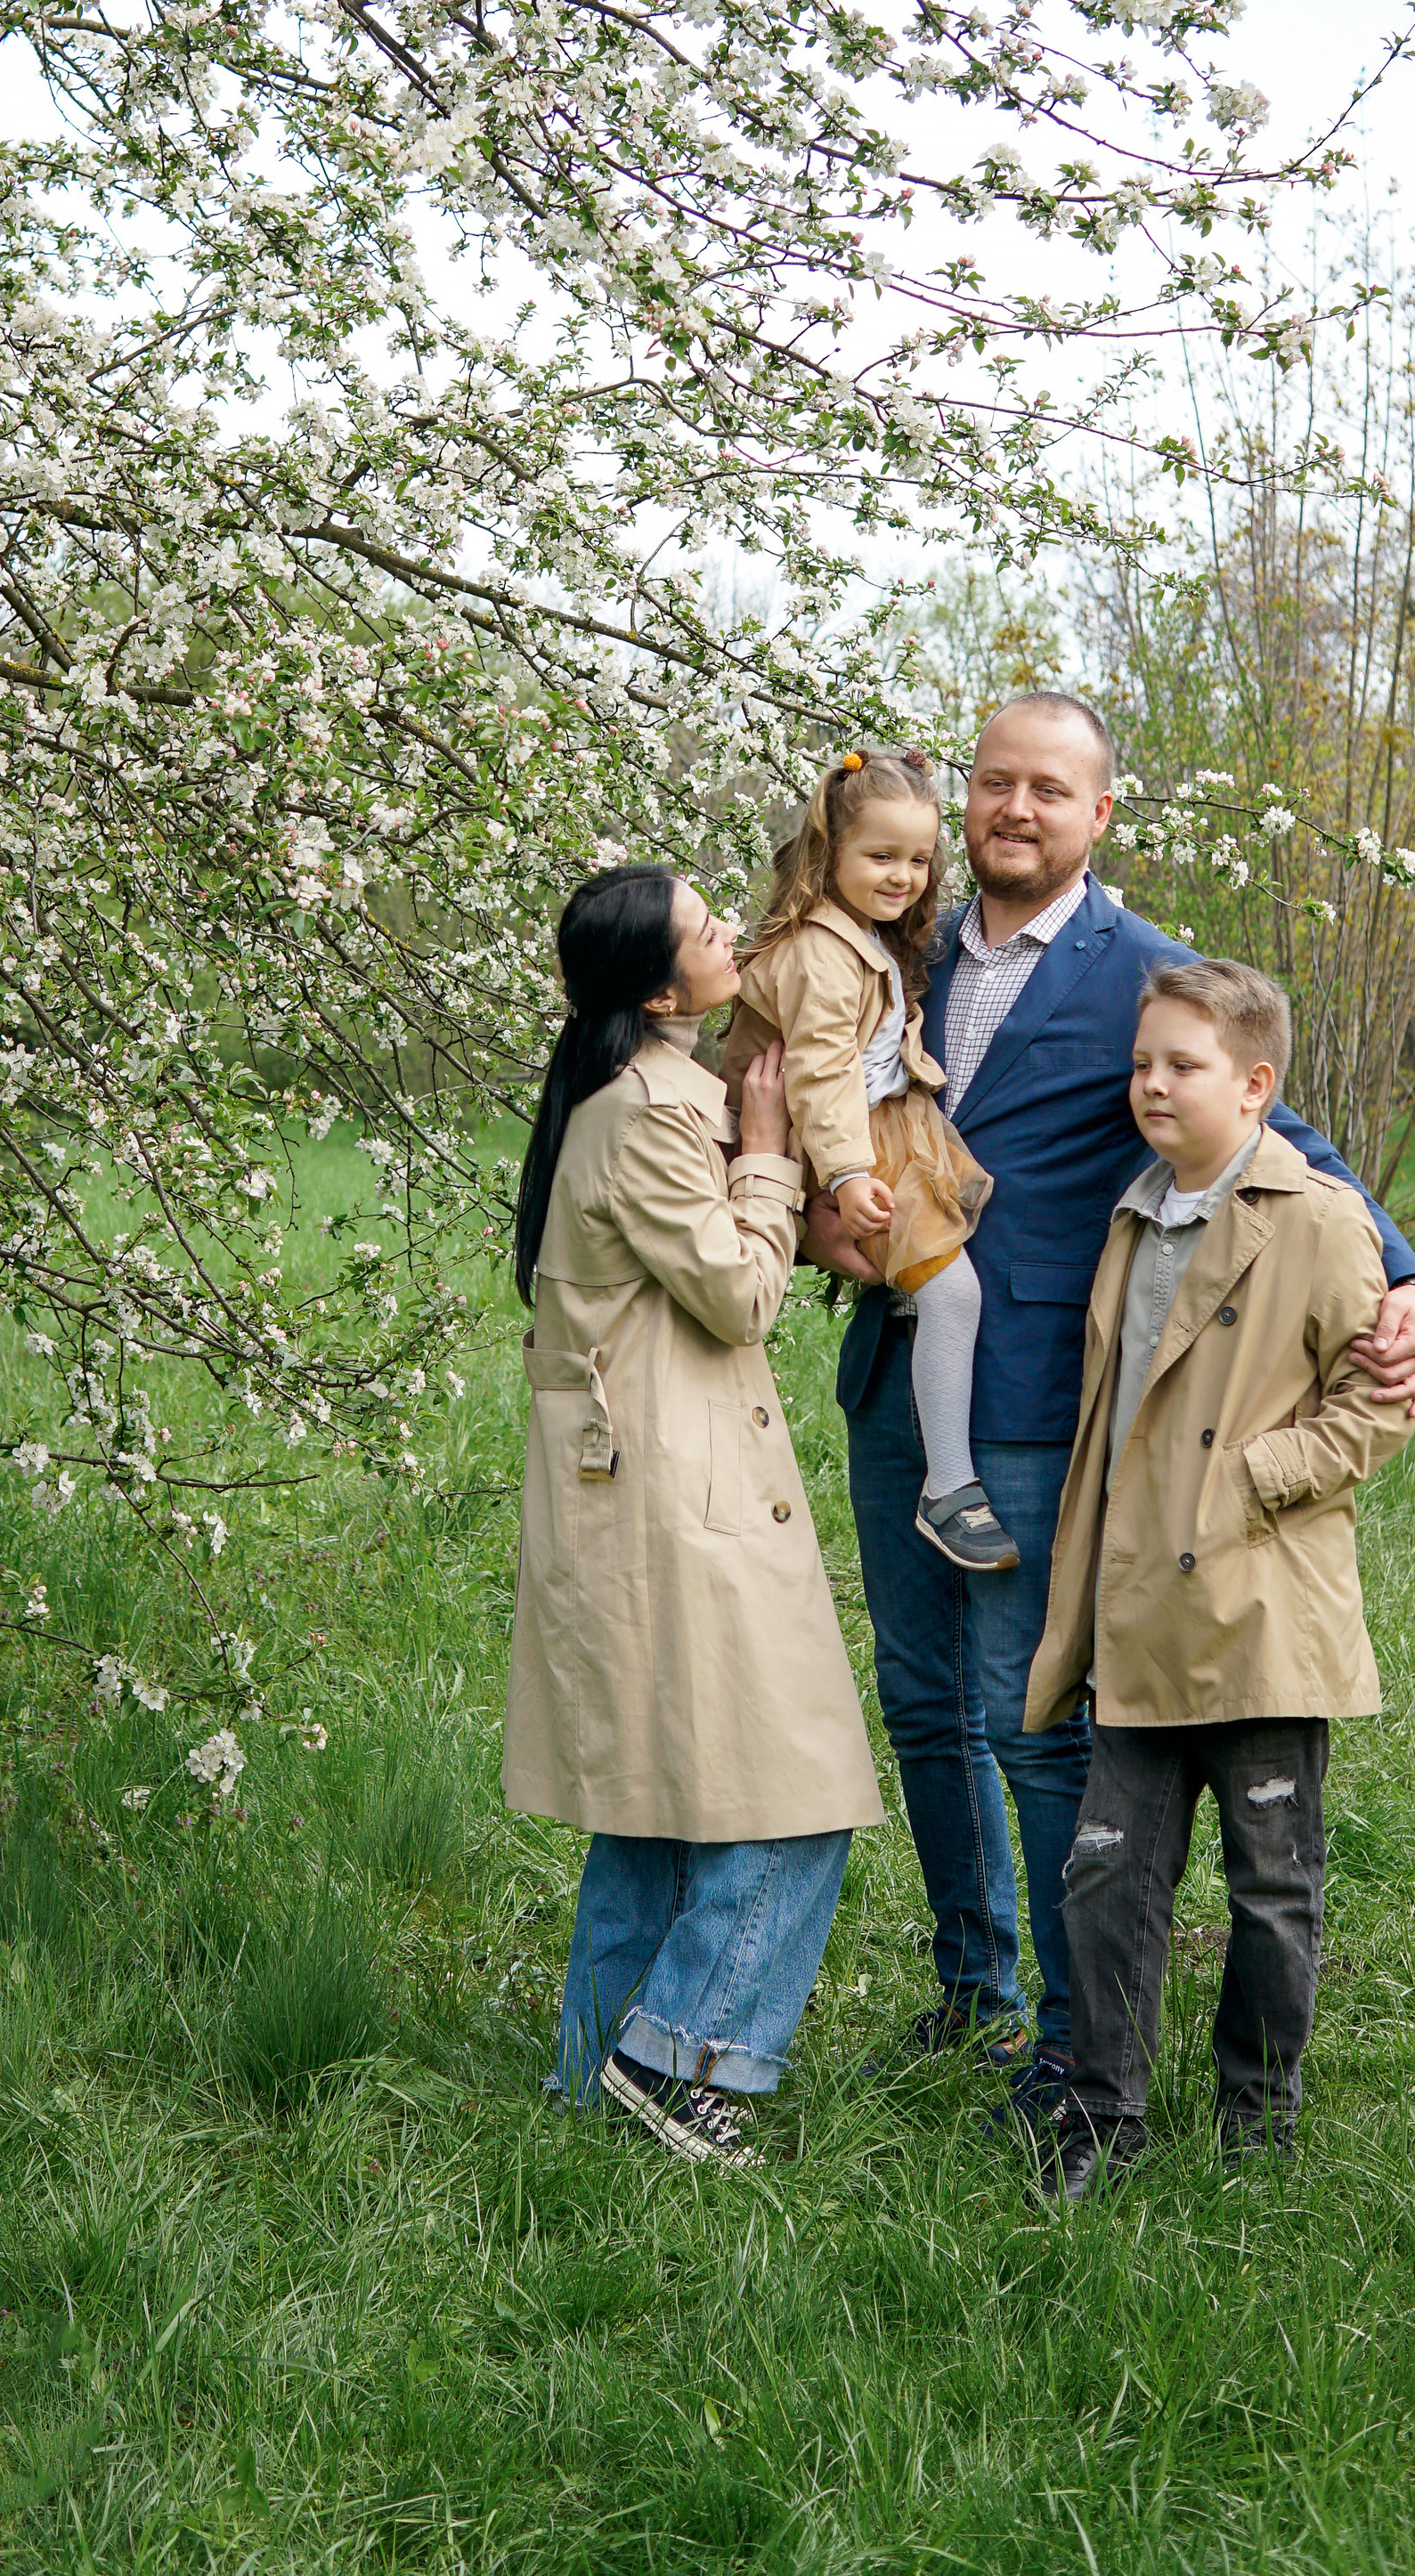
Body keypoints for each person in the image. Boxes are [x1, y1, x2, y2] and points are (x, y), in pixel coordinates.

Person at [806, 693, 1415, 2102]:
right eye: (992, 784)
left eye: (1047, 789)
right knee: (919, 1702)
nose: (1012, 810)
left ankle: (1064, 2023)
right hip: (893, 1373)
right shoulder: (885, 949)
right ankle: (967, 1980)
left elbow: (1293, 1136)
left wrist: (1406, 1279)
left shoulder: (1138, 970)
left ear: (1101, 815)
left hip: (1038, 1395)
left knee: (1028, 1714)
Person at [503, 860, 884, 2171]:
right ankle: (681, 2062)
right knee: (797, 1792)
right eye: (712, 930)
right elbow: (737, 1298)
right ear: (663, 988)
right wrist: (772, 1163)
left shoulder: (624, 1092)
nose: (734, 934)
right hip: (677, 1494)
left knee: (659, 1798)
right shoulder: (656, 1114)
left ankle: (587, 2084)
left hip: (645, 1485)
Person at [1021, 957, 1415, 2193]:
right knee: (1108, 1879)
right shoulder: (1137, 1210)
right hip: (1138, 1613)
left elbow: (1379, 1405)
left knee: (1271, 1890)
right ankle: (1103, 2121)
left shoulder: (1320, 1217)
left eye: (1181, 1066)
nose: (1151, 1085)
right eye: (1142, 1063)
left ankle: (1259, 2125)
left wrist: (1249, 1482)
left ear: (1256, 1087)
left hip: (1257, 1616)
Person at [721, 746, 1012, 1574]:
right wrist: (846, 1177)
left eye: (919, 860)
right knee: (955, 1291)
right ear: (830, 854)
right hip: (849, 1138)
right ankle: (948, 1487)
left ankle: (927, 1352)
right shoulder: (820, 952)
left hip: (883, 1123)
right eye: (880, 857)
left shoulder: (858, 937)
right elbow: (816, 1072)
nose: (903, 877)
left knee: (949, 1257)